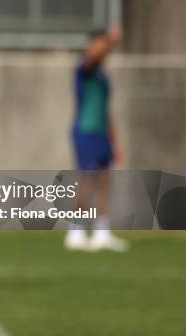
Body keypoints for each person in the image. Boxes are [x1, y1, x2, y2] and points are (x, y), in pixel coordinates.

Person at [64, 26, 128, 252]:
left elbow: (105, 109)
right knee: (87, 181)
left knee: (104, 182)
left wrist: (114, 140)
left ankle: (102, 231)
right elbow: (93, 57)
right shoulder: (84, 68)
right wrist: (110, 41)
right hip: (85, 131)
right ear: (90, 45)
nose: (103, 47)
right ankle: (76, 231)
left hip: (101, 133)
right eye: (98, 43)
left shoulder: (102, 76)